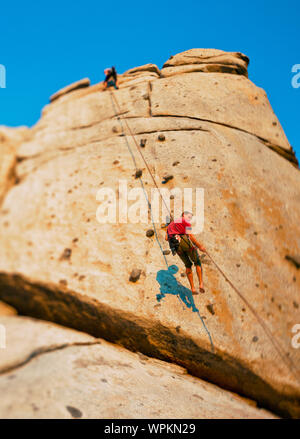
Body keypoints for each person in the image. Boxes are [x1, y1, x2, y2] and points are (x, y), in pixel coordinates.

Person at [166, 211, 206, 295]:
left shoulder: (170, 226)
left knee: (188, 265)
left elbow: (166, 238)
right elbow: (190, 236)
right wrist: (200, 246)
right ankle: (201, 284)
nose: (189, 219)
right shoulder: (185, 221)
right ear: (183, 215)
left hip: (176, 247)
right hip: (184, 242)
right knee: (197, 262)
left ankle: (192, 288)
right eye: (189, 217)